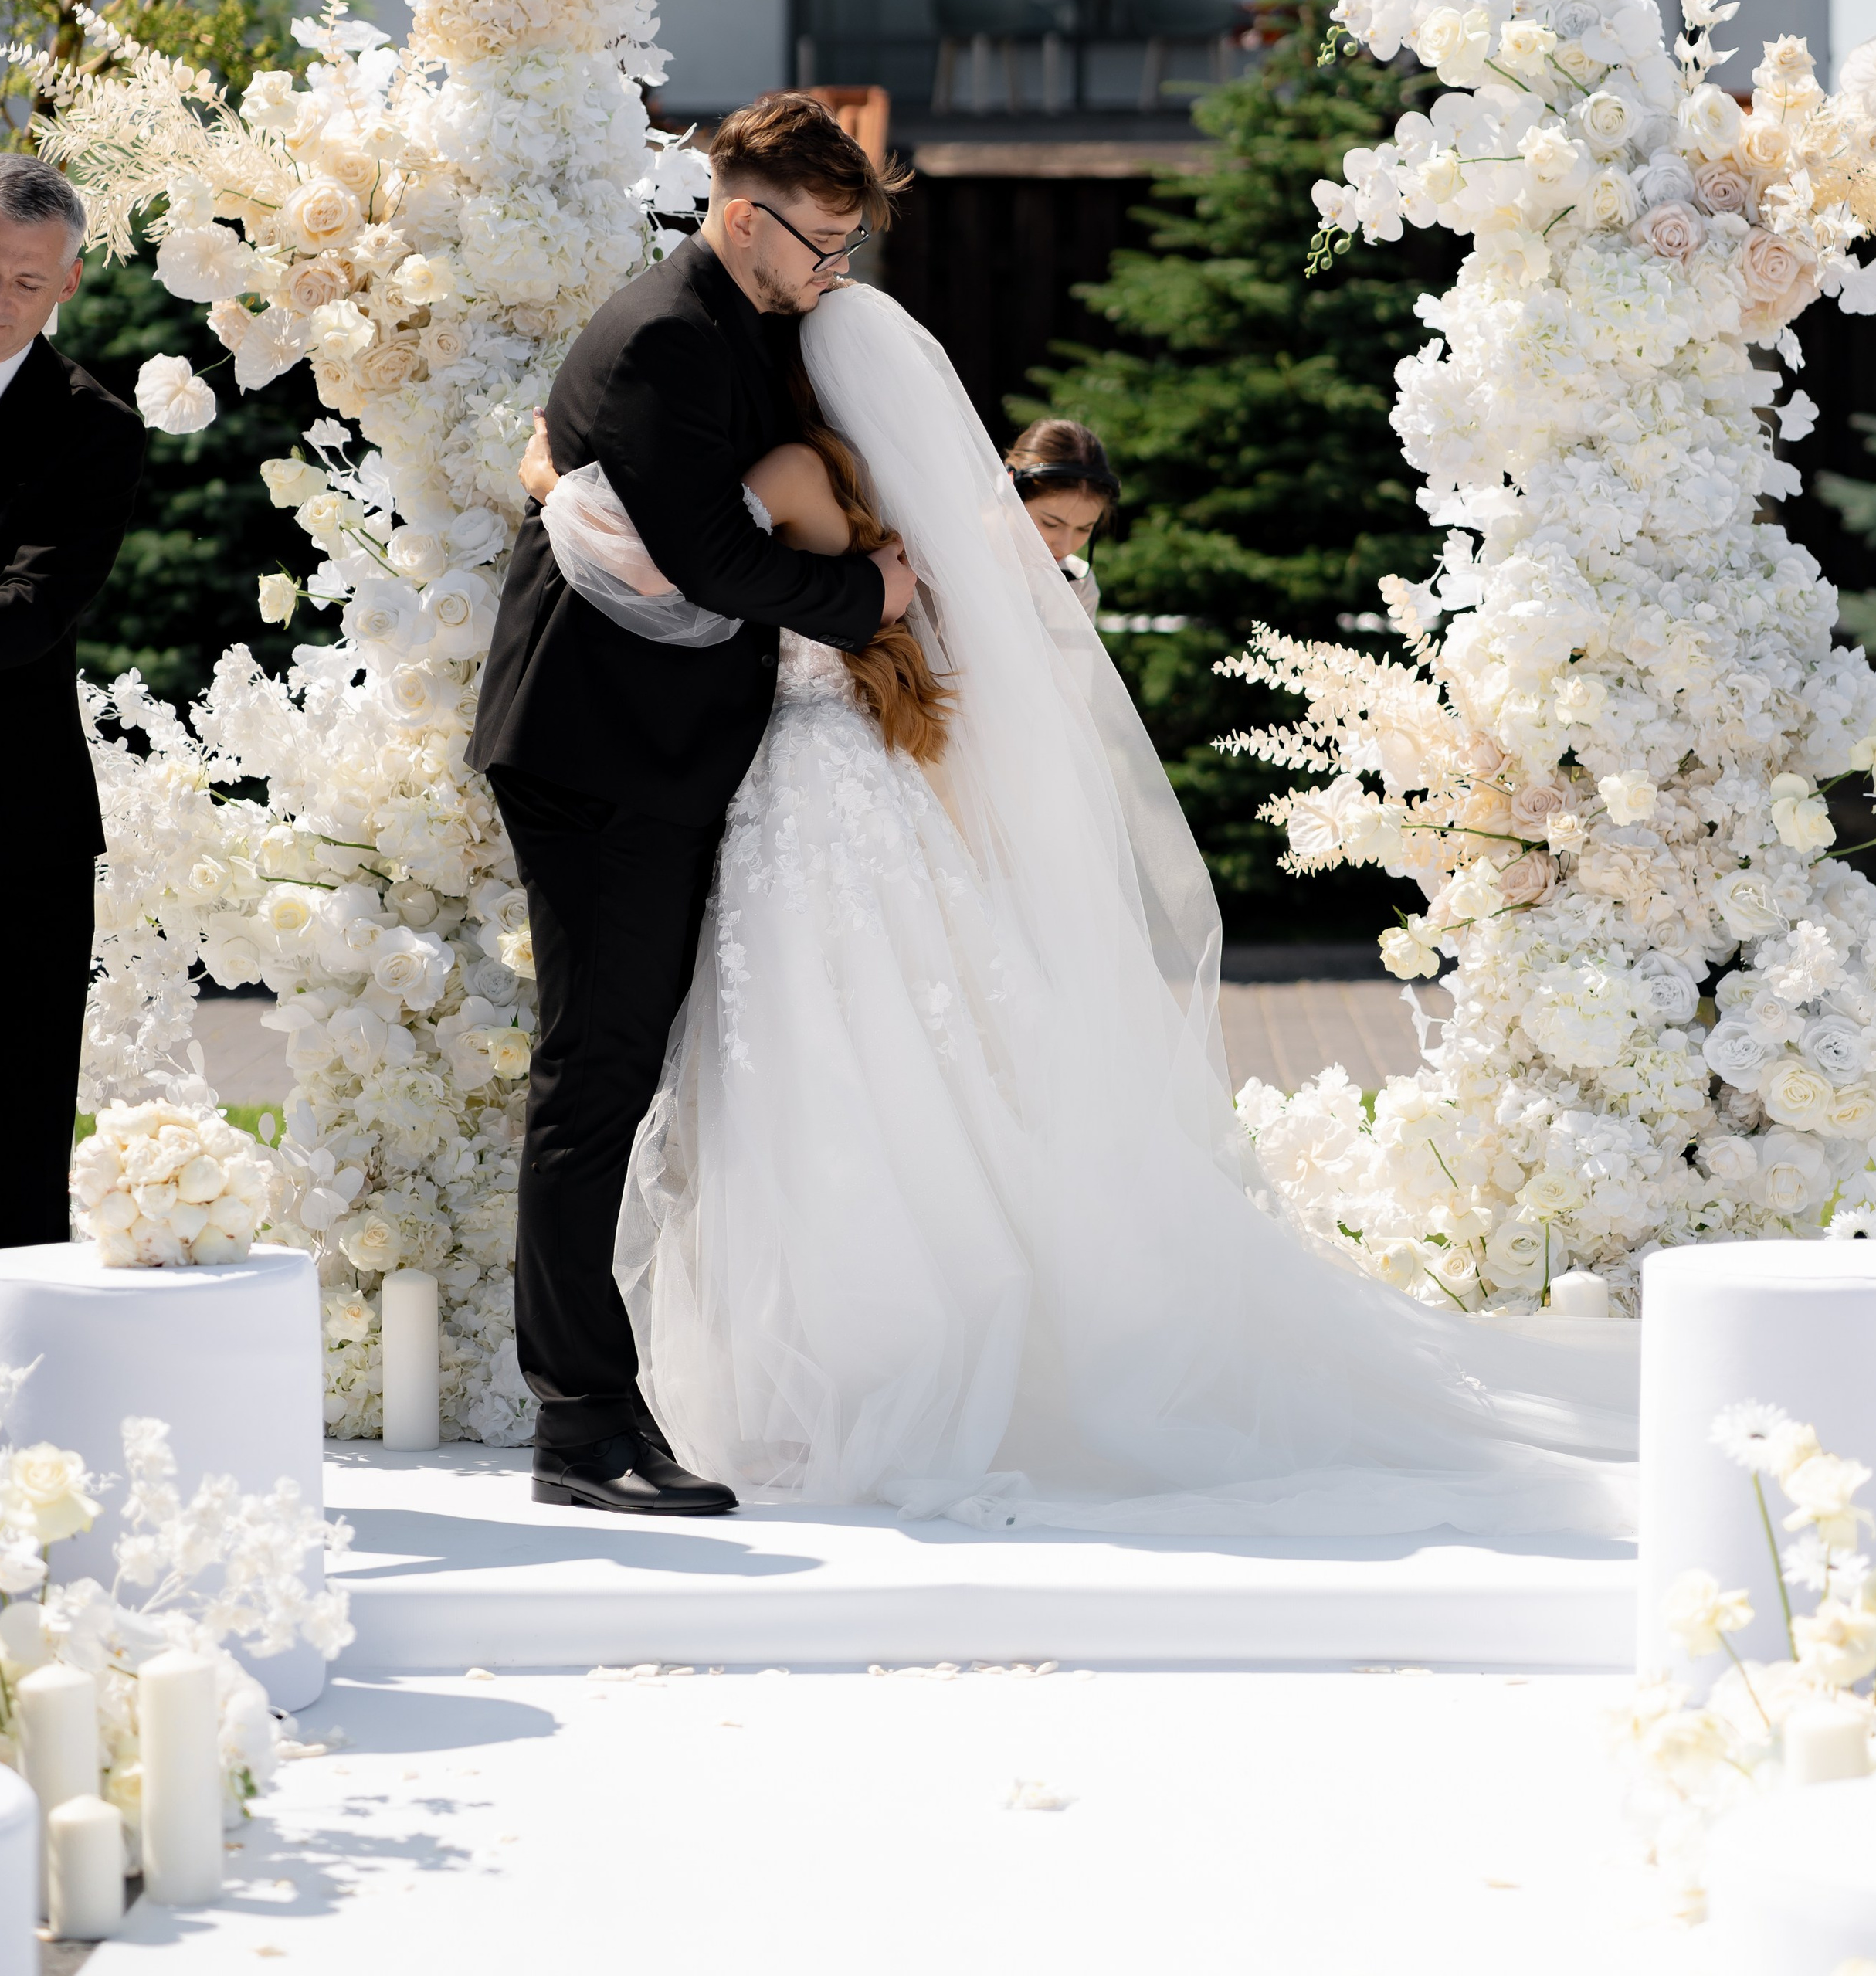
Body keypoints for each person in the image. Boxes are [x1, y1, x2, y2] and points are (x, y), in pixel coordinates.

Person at [528, 283, 1639, 1543]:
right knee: (857, 1068)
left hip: (800, 801)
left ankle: (830, 1374)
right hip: (849, 805)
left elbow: (660, 566)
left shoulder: (808, 485)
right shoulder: (881, 515)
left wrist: (561, 475)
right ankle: (844, 1364)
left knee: (807, 1068)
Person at [469, 94, 916, 1517]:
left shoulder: (736, 324)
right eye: (824, 240)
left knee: (613, 1069)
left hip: (645, 748)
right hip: (601, 755)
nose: (834, 266)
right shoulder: (673, 329)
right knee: (592, 1076)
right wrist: (870, 600)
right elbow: (715, 557)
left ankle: (600, 1413)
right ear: (745, 218)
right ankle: (581, 1425)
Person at [0, 154, 144, 1253]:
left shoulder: (93, 427)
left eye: (25, 284)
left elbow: (30, 610)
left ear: (70, 285)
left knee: (10, 1133)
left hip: (10, 832)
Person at [1005, 416, 1118, 620]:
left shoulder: (1079, 584)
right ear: (1010, 493)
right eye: (1051, 523)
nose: (1065, 546)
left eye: (1084, 528)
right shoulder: (949, 560)